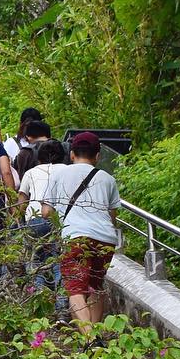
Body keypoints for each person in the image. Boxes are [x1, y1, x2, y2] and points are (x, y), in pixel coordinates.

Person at [41, 132, 121, 331]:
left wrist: (61, 223)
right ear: (97, 156)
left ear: (72, 154)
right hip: (106, 239)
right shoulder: (107, 179)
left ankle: (91, 339)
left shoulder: (59, 175)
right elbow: (112, 216)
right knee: (96, 286)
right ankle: (96, 335)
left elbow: (46, 211)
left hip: (75, 237)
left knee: (75, 289)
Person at [17, 138, 67, 297]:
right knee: (59, 263)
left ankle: (38, 301)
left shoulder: (31, 173)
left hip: (35, 219)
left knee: (35, 262)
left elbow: (21, 202)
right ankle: (61, 309)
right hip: (59, 221)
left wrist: (19, 222)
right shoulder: (67, 170)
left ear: (38, 157)